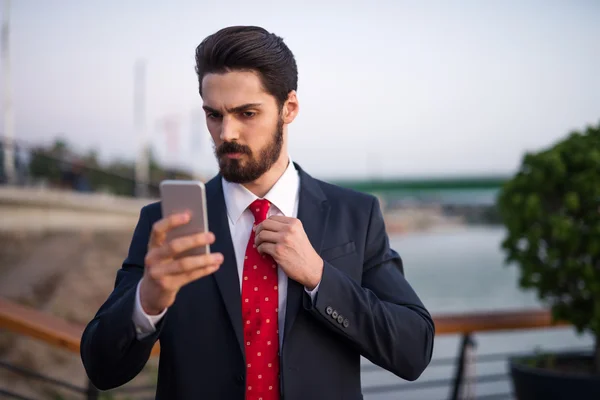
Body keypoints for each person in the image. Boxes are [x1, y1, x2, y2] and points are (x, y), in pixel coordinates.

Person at [80, 25, 435, 400]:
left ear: (290, 108)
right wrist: (147, 301)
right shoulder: (164, 222)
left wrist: (319, 277)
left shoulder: (356, 216)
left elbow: (413, 350)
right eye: (214, 115)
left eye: (247, 113)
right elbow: (101, 369)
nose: (227, 133)